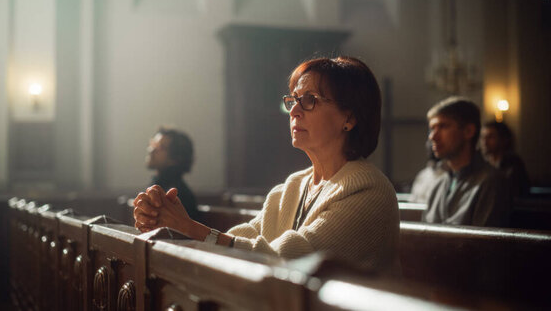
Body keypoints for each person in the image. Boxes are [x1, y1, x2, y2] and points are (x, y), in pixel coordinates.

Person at [134, 56, 399, 273]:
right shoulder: (292, 187)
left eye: (309, 100)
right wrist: (168, 223)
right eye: (293, 100)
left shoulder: (368, 189)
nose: (294, 110)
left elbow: (291, 259)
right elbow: (243, 236)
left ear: (349, 118)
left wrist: (188, 228)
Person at [422, 97, 510, 227]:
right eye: (432, 128)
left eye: (443, 126)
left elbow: (483, 244)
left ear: (468, 131)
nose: (432, 136)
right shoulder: (438, 184)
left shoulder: (491, 182)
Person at [145, 127, 200, 221]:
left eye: (160, 147)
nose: (151, 150)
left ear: (175, 159)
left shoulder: (178, 195)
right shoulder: (157, 184)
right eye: (153, 144)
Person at [480, 121, 530, 198]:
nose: (484, 142)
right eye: (483, 137)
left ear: (503, 139)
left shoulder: (514, 164)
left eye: (490, 137)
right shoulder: (480, 163)